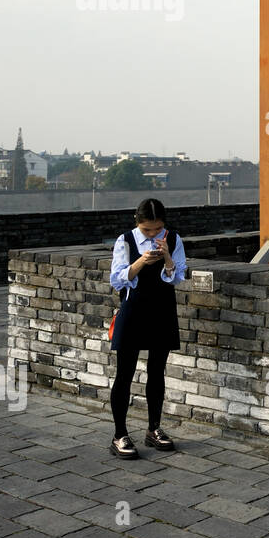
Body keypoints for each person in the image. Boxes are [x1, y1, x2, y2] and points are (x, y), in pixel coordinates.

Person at [107, 197, 185, 459]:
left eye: (157, 229)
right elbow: (117, 280)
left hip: (162, 310)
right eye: (147, 230)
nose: (152, 233)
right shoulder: (125, 240)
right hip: (133, 310)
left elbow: (178, 277)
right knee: (125, 373)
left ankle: (154, 429)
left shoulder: (173, 239)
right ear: (137, 223)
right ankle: (119, 434)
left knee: (157, 371)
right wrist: (141, 261)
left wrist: (166, 257)